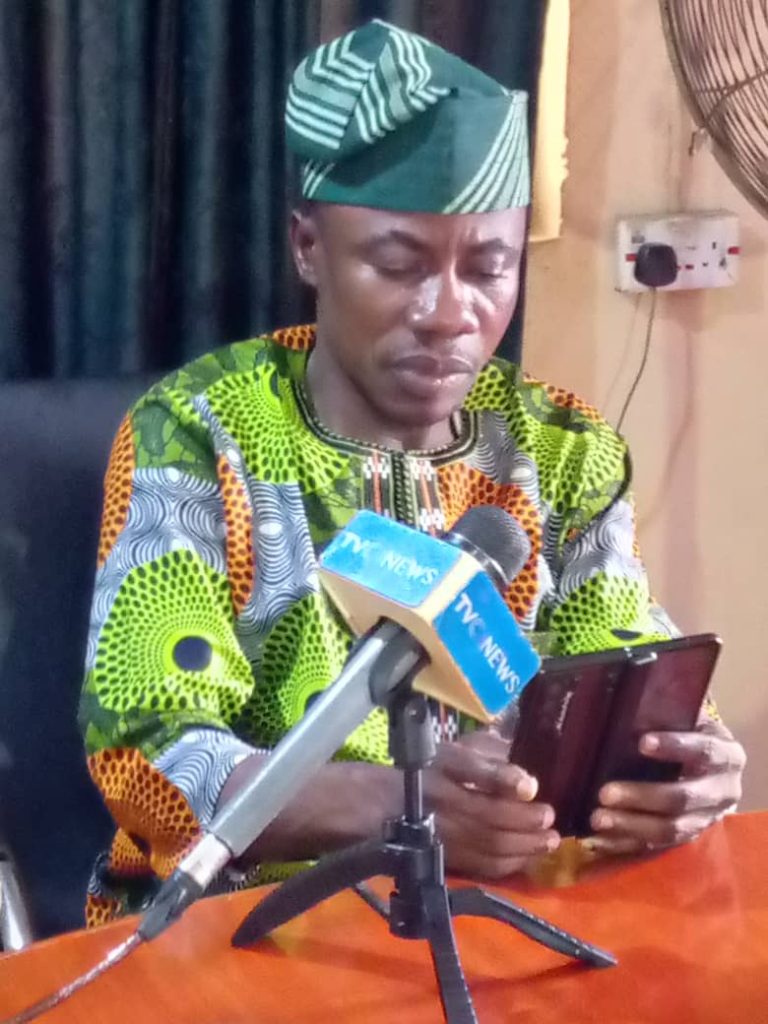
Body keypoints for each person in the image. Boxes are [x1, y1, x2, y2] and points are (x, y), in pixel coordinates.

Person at [79, 19, 745, 927]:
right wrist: (401, 804)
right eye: (398, 265)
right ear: (307, 248)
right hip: (241, 927)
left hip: (506, 917)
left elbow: (622, 673)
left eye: (490, 270)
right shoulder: (200, 434)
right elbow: (146, 755)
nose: (448, 313)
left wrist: (683, 764)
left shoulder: (561, 449)